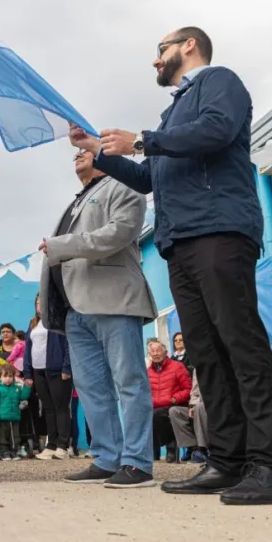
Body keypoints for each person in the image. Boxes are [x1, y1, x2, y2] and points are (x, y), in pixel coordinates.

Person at [75, 27, 272, 504]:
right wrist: (99, 151)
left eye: (161, 49)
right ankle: (226, 461)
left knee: (241, 345)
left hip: (219, 231)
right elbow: (148, 178)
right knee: (207, 355)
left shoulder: (220, 82)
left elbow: (215, 130)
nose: (156, 60)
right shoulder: (173, 113)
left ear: (188, 46)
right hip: (181, 242)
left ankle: (271, 468)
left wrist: (144, 139)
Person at [39, 145, 158, 487]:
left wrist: (61, 245)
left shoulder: (124, 185)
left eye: (85, 149)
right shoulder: (76, 200)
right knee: (91, 388)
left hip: (114, 301)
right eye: (73, 151)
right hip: (75, 309)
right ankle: (107, 457)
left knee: (129, 382)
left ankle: (137, 463)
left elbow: (119, 233)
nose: (77, 153)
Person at [24, 294, 73, 460]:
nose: (39, 305)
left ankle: (63, 445)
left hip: (58, 370)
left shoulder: (57, 321)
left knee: (61, 407)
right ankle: (51, 444)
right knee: (48, 409)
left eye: (42, 302)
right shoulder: (33, 324)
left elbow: (68, 345)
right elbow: (27, 349)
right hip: (39, 371)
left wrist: (67, 367)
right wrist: (28, 372)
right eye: (37, 302)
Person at [148, 341, 192, 463]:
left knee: (157, 415)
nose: (156, 354)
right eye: (153, 351)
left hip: (173, 404)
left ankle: (171, 445)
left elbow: (188, 389)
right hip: (155, 406)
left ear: (165, 352)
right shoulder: (148, 372)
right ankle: (153, 450)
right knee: (144, 415)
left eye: (158, 350)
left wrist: (176, 398)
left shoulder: (177, 366)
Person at [0, 365, 31, 461]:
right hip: (2, 418)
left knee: (15, 436)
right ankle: (4, 452)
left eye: (10, 376)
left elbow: (22, 397)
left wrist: (27, 387)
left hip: (14, 417)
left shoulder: (16, 388)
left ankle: (14, 451)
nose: (8, 379)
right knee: (2, 436)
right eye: (5, 376)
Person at [170, 372, 208, 464]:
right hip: (198, 403)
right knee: (175, 411)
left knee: (200, 407)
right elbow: (195, 392)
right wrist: (192, 406)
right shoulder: (197, 368)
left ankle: (202, 449)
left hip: (214, 405)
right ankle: (192, 448)